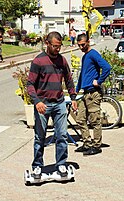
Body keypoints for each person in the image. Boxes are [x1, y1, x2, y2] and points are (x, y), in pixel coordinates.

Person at [27, 31, 77, 176]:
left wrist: (73, 97)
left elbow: (68, 80)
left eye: (59, 46)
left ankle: (61, 164)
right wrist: (36, 102)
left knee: (62, 135)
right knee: (40, 137)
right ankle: (37, 165)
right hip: (43, 105)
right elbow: (30, 84)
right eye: (55, 46)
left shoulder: (62, 61)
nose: (57, 49)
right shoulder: (38, 61)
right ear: (47, 44)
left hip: (59, 103)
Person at [75, 33, 111, 155]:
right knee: (80, 119)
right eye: (79, 45)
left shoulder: (93, 54)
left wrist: (99, 81)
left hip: (93, 93)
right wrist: (77, 88)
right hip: (85, 93)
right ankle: (87, 143)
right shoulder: (85, 56)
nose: (81, 47)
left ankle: (96, 145)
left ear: (88, 42)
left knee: (95, 120)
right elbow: (82, 74)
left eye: (83, 45)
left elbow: (107, 67)